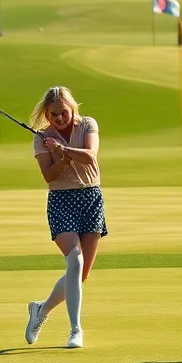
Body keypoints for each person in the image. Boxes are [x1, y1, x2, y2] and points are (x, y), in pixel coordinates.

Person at [23, 86, 107, 349]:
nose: (59, 118)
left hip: (90, 197)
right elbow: (49, 175)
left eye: (63, 113)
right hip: (61, 200)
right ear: (46, 114)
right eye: (53, 114)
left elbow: (90, 156)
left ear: (72, 109)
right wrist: (60, 156)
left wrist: (63, 148)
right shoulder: (41, 137)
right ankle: (75, 330)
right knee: (75, 260)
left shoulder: (88, 125)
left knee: (81, 274)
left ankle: (41, 309)